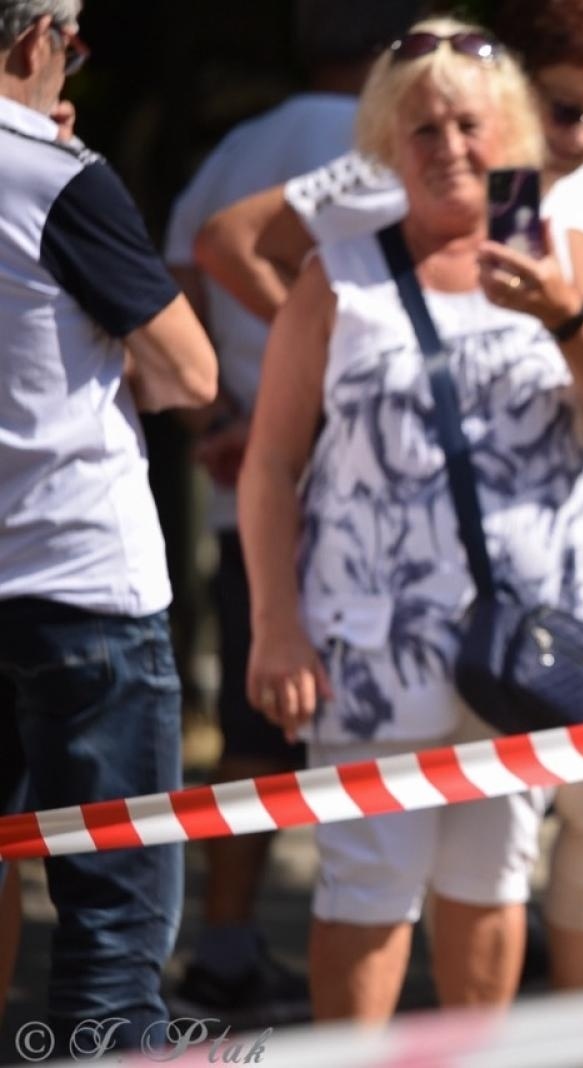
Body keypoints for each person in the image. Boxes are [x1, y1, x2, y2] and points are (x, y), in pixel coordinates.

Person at [193, 0, 583, 992]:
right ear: (386, 144)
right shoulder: (339, 278)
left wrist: (568, 315)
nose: (449, 146)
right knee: (367, 893)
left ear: (511, 132)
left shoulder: (564, 253)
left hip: (523, 642)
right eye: (423, 128)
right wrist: (275, 627)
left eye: (470, 125)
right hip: (370, 638)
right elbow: (273, 465)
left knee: (492, 886)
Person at [162, 0, 422, 1021]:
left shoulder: (242, 142)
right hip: (353, 481)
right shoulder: (379, 149)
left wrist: (221, 397)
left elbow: (179, 262)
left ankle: (226, 943)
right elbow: (225, 248)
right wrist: (340, 334)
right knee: (372, 728)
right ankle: (377, 962)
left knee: (253, 729)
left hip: (247, 472)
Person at [0, 0, 218, 1050]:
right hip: (80, 583)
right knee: (112, 928)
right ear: (35, 37)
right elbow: (190, 372)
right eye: (72, 40)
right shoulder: (55, 177)